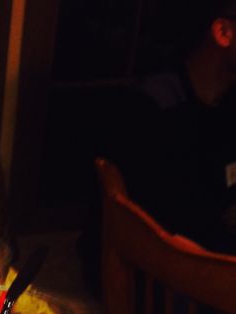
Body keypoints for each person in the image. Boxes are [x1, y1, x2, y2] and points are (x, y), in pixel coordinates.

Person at [82, 1, 236, 288]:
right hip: (153, 276)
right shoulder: (152, 107)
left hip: (205, 258)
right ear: (223, 32)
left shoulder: (226, 104)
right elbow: (145, 231)